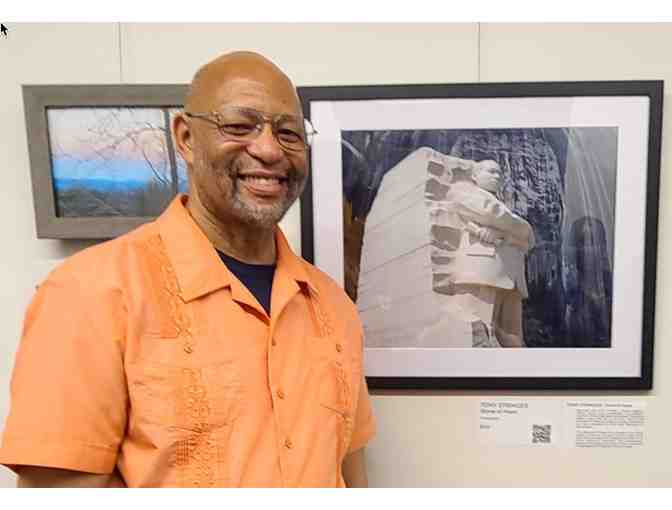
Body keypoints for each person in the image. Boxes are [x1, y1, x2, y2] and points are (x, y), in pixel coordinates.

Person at [0, 51, 375, 487]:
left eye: (289, 132)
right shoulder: (91, 293)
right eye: (239, 125)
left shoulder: (333, 306)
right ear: (186, 137)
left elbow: (349, 472)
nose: (270, 149)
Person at [429, 159, 534, 348]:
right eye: (491, 171)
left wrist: (503, 233)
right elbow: (492, 214)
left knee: (513, 340)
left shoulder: (502, 205)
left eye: (499, 173)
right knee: (480, 334)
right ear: (475, 176)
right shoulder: (463, 192)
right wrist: (517, 229)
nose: (497, 176)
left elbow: (529, 239)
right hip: (482, 270)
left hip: (512, 276)